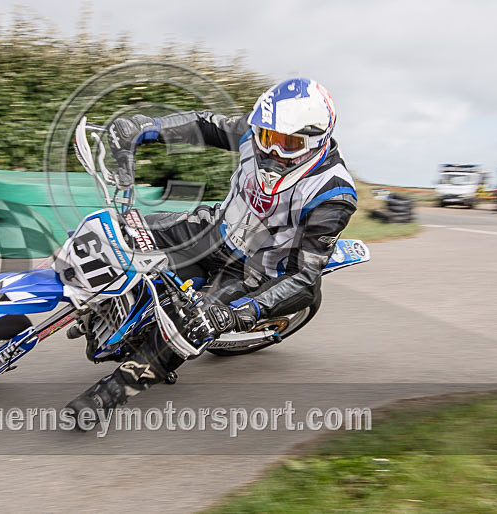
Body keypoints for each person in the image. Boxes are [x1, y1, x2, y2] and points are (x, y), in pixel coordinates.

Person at [66, 78, 357, 425]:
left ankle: (115, 390)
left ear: (315, 142)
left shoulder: (333, 193)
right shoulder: (255, 132)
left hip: (255, 270)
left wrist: (241, 313)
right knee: (117, 232)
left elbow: (306, 279)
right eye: (268, 138)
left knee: (192, 325)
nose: (273, 152)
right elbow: (203, 125)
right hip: (212, 230)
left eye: (289, 144)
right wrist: (146, 127)